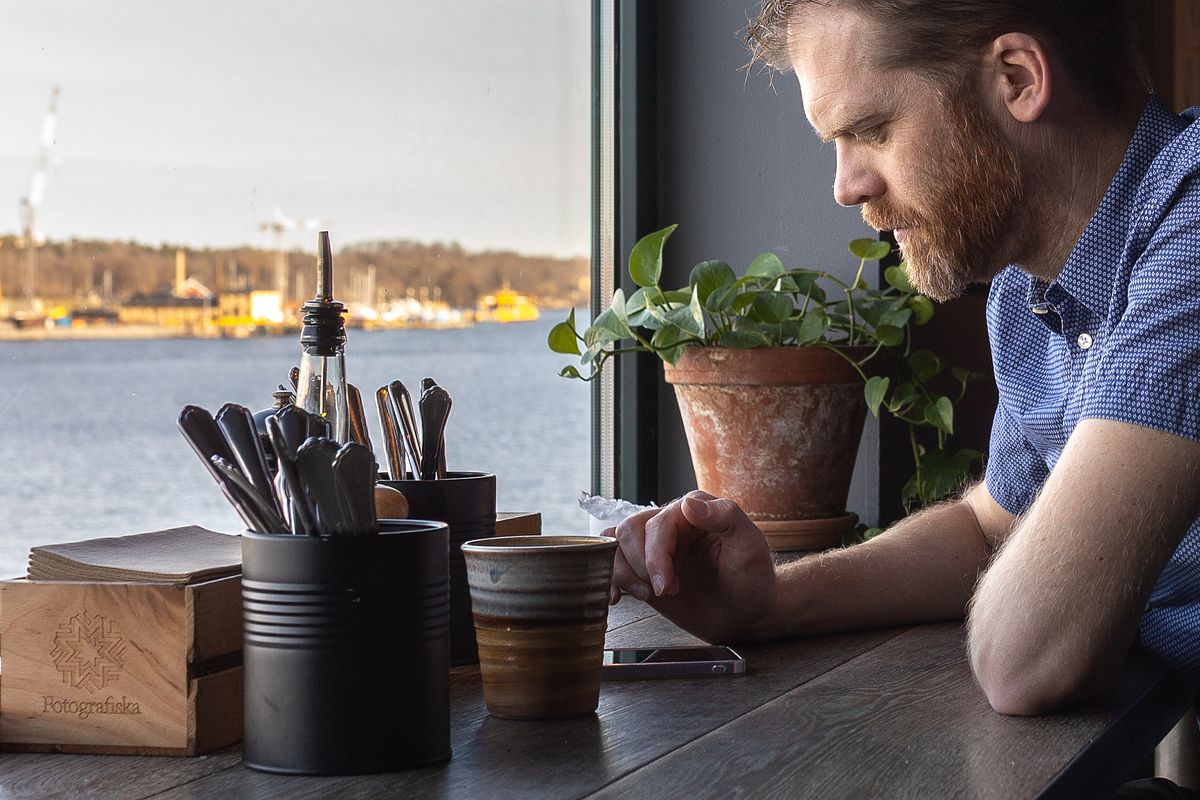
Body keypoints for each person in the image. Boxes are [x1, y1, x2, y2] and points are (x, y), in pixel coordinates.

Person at [609, 0, 1200, 730]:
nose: (846, 186)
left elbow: (1028, 660)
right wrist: (770, 603)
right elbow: (988, 528)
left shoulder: (1194, 233)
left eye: (872, 131)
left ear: (1017, 78)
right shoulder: (1030, 296)